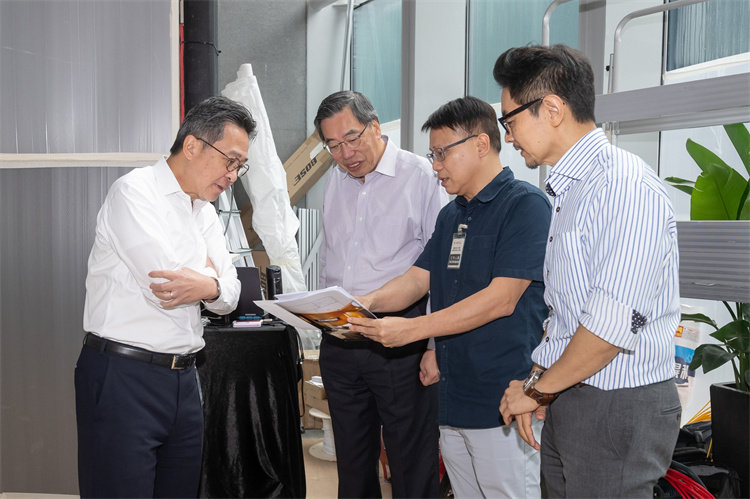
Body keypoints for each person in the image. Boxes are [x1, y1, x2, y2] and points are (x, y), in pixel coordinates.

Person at [494, 44, 682, 498]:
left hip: (616, 401)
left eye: (509, 120)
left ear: (552, 109)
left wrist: (537, 392)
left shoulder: (621, 186)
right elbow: (566, 314)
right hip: (572, 391)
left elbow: (608, 328)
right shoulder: (571, 189)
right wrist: (539, 382)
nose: (509, 137)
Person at [348, 96, 551, 498]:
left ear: (481, 144)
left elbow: (502, 299)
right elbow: (416, 280)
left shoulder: (525, 206)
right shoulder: (451, 215)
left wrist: (413, 331)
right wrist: (362, 303)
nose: (435, 165)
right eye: (432, 154)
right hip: (452, 395)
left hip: (503, 396)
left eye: (442, 153)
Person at [75, 96, 256, 498]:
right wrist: (212, 276)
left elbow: (230, 295)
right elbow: (166, 287)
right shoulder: (134, 192)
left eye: (240, 166)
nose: (232, 175)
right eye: (229, 161)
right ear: (192, 145)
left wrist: (208, 283)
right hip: (124, 375)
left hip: (185, 378)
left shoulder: (205, 211)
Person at [314, 90, 448, 498]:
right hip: (340, 336)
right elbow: (330, 256)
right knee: (352, 462)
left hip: (400, 338)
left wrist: (433, 344)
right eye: (333, 145)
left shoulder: (421, 176)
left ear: (375, 126)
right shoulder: (335, 181)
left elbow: (440, 269)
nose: (345, 153)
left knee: (411, 459)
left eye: (351, 138)